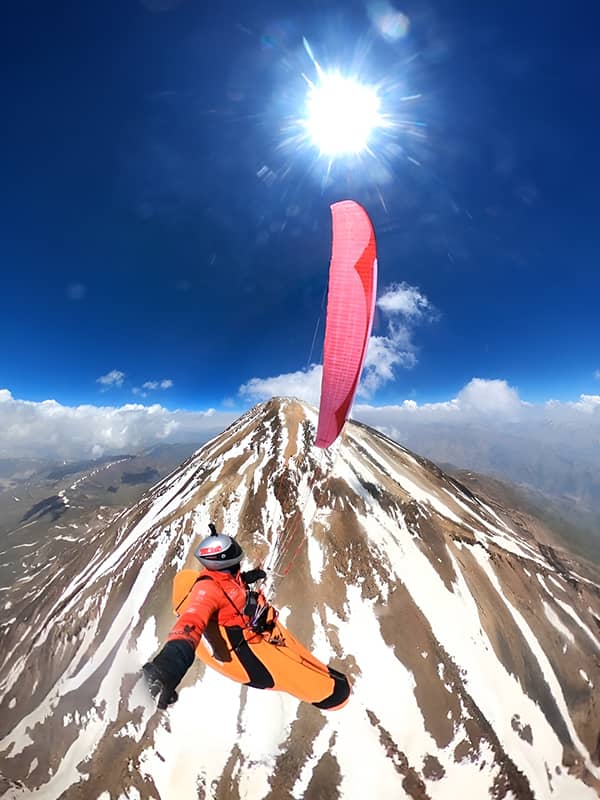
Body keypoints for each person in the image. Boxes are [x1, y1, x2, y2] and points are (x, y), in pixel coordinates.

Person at [143, 523, 350, 711]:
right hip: (247, 656)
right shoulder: (206, 591)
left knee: (326, 676)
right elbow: (191, 623)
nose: (238, 567)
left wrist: (247, 578)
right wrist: (166, 670)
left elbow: (228, 585)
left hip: (254, 629)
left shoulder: (223, 577)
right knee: (336, 693)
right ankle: (328, 691)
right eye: (235, 564)